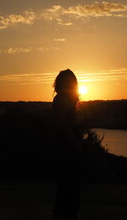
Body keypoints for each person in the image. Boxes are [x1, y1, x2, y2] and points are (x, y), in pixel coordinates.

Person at [52, 69, 83, 220]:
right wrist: (74, 142)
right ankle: (63, 213)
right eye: (66, 81)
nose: (68, 84)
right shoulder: (59, 100)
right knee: (67, 180)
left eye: (70, 81)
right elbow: (63, 124)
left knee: (74, 181)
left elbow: (72, 121)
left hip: (72, 139)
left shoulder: (70, 99)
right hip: (66, 141)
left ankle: (70, 213)